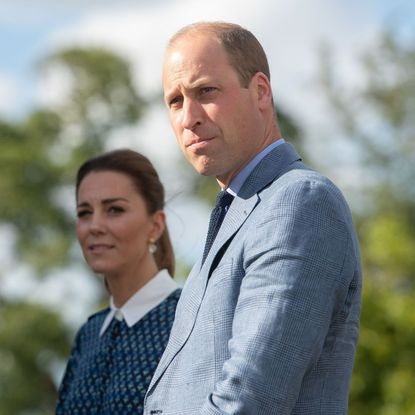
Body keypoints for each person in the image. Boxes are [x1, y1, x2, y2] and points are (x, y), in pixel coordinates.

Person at [144, 21, 362, 414]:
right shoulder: (234, 215)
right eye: (175, 101)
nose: (188, 117)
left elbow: (250, 398)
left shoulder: (299, 202)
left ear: (260, 91)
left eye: (205, 91)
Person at [56, 149, 181, 415]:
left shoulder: (189, 319)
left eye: (114, 209)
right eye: (84, 212)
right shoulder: (88, 335)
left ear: (155, 226)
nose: (94, 226)